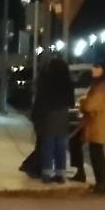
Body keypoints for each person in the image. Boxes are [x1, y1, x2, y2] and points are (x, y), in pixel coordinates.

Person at [32, 55, 75, 184]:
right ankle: (60, 173)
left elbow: (40, 99)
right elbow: (71, 102)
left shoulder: (47, 81)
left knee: (48, 145)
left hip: (48, 115)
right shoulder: (67, 82)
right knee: (61, 146)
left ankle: (46, 172)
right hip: (62, 115)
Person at [77, 63, 105, 195]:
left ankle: (101, 184)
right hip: (96, 122)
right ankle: (98, 182)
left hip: (98, 123)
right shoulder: (100, 84)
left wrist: (82, 102)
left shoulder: (102, 86)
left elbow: (89, 105)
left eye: (97, 67)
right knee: (94, 151)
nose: (94, 70)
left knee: (96, 152)